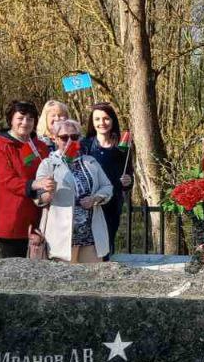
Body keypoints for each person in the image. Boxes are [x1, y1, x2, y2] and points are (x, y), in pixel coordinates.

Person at [34, 119, 114, 263]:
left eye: (74, 137)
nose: (70, 141)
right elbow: (39, 197)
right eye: (64, 137)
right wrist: (48, 192)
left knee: (93, 276)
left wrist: (95, 199)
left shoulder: (90, 161)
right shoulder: (48, 164)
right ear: (55, 139)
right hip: (61, 238)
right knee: (65, 277)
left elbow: (107, 187)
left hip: (91, 236)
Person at [0, 100, 54, 258]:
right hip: (13, 219)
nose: (25, 122)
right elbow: (5, 180)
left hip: (39, 217)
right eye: (21, 118)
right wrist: (34, 184)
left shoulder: (40, 147)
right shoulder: (0, 146)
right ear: (11, 120)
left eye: (30, 119)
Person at [82, 102, 134, 260]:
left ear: (112, 120)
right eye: (97, 119)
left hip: (112, 204)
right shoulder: (85, 145)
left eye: (106, 118)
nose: (102, 123)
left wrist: (128, 181)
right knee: (89, 246)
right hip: (90, 204)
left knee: (106, 244)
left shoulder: (122, 146)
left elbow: (128, 174)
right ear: (92, 122)